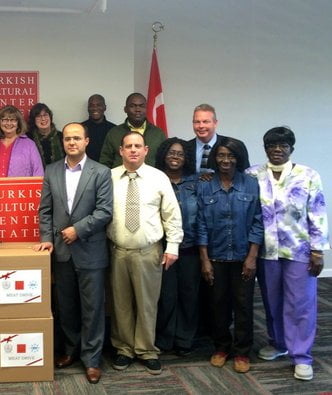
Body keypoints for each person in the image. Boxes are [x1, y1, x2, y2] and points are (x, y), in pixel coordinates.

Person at [246, 127, 329, 381]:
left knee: (300, 303)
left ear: (291, 148)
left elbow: (317, 212)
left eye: (283, 145)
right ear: (265, 148)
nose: (277, 149)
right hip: (266, 251)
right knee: (272, 301)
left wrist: (317, 249)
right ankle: (278, 343)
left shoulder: (308, 175)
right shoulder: (253, 175)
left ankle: (302, 355)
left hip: (300, 251)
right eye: (272, 145)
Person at [34, 122, 113, 384]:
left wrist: (77, 230)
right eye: (67, 138)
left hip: (90, 250)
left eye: (77, 138)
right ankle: (70, 351)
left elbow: (104, 211)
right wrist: (47, 239)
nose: (71, 142)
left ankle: (91, 359)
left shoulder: (101, 172)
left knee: (92, 308)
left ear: (86, 141)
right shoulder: (52, 170)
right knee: (65, 306)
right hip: (61, 253)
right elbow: (45, 210)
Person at [107, 131, 183, 375]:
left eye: (137, 146)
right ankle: (124, 349)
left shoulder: (158, 177)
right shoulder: (109, 177)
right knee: (120, 304)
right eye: (128, 146)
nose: (133, 150)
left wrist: (173, 246)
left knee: (147, 303)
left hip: (148, 251)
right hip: (117, 251)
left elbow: (172, 214)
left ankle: (147, 350)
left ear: (146, 150)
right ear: (121, 151)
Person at [197, 137, 263, 374]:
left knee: (244, 306)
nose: (226, 160)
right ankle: (221, 347)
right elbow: (201, 224)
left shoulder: (250, 184)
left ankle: (243, 351)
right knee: (218, 305)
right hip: (215, 257)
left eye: (231, 155)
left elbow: (258, 221)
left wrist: (252, 256)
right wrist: (204, 259)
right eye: (221, 155)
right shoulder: (205, 184)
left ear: (239, 158)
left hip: (243, 256)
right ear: (215, 158)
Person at [153, 138, 200, 356]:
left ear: (187, 158)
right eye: (171, 152)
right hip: (164, 249)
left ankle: (184, 340)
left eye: (180, 154)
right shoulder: (155, 179)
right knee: (166, 296)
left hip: (190, 247)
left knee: (189, 296)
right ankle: (164, 339)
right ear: (164, 154)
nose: (175, 157)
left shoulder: (197, 181)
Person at [99, 93, 165, 168]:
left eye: (141, 106)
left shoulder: (158, 134)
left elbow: (164, 162)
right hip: (120, 178)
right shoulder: (114, 133)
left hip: (151, 178)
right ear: (125, 109)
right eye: (132, 106)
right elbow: (105, 163)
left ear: (146, 109)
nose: (137, 110)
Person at [185, 104, 250, 174]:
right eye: (197, 122)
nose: (201, 126)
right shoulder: (185, 148)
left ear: (215, 123)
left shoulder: (235, 146)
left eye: (205, 121)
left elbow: (245, 175)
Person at [0, 105, 44, 177]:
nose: (9, 123)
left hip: (22, 188)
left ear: (18, 123)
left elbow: (38, 172)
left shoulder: (29, 144)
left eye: (13, 120)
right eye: (5, 120)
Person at [27, 102, 64, 167]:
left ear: (50, 117)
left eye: (45, 115)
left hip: (59, 175)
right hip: (36, 176)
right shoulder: (28, 138)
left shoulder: (62, 137)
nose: (43, 119)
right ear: (33, 120)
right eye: (38, 116)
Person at [81, 94, 116, 162]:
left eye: (99, 105)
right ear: (88, 108)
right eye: (91, 105)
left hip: (108, 169)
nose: (95, 108)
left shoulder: (114, 129)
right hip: (84, 169)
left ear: (105, 107)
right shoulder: (80, 129)